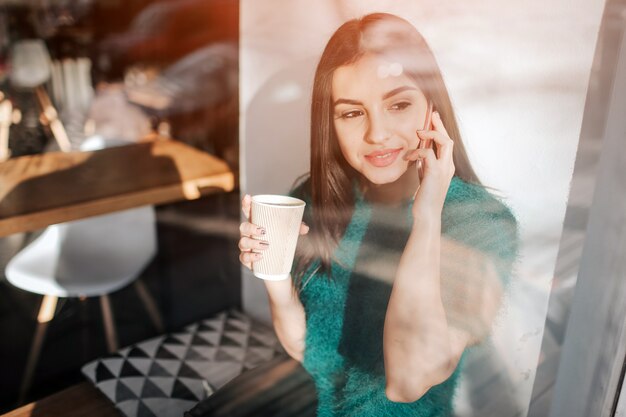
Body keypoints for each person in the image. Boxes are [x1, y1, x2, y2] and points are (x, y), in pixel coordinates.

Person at [238, 12, 518, 417]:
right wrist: (275, 275)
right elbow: (309, 353)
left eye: (399, 104)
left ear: (432, 108)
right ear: (329, 123)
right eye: (352, 113)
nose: (377, 134)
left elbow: (407, 381)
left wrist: (427, 216)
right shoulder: (317, 201)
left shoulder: (483, 225)